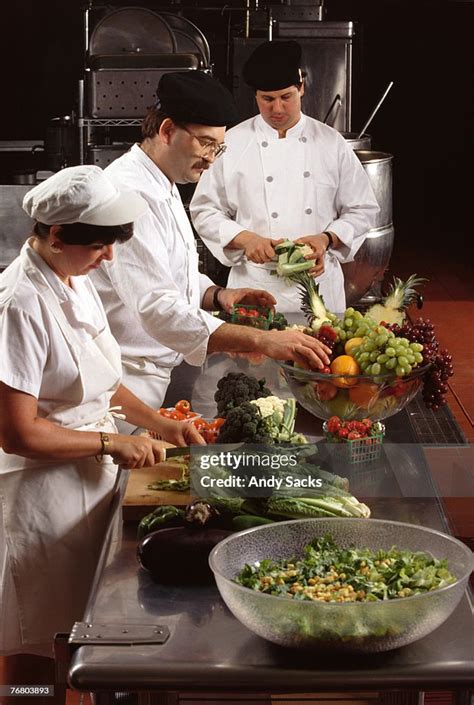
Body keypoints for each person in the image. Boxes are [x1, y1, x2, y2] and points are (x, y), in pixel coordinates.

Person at [0, 166, 204, 700]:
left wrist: (161, 422)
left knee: (74, 628)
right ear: (56, 235)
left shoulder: (73, 278)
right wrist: (114, 442)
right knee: (31, 635)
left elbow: (102, 381)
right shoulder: (18, 304)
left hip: (87, 482)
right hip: (36, 494)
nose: (109, 258)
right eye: (98, 246)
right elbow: (17, 433)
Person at [92, 71, 331, 426]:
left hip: (155, 371)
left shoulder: (162, 179)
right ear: (167, 130)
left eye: (218, 148)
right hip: (124, 381)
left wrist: (219, 296)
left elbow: (173, 274)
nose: (211, 159)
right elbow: (158, 306)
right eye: (205, 144)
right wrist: (262, 340)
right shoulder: (131, 193)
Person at [190, 40, 380, 313]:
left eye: (286, 97)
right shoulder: (231, 143)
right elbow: (205, 210)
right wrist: (245, 239)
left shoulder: (330, 143)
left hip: (320, 288)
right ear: (255, 96)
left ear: (301, 87)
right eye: (267, 99)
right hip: (254, 285)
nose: (277, 109)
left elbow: (363, 209)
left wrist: (326, 239)